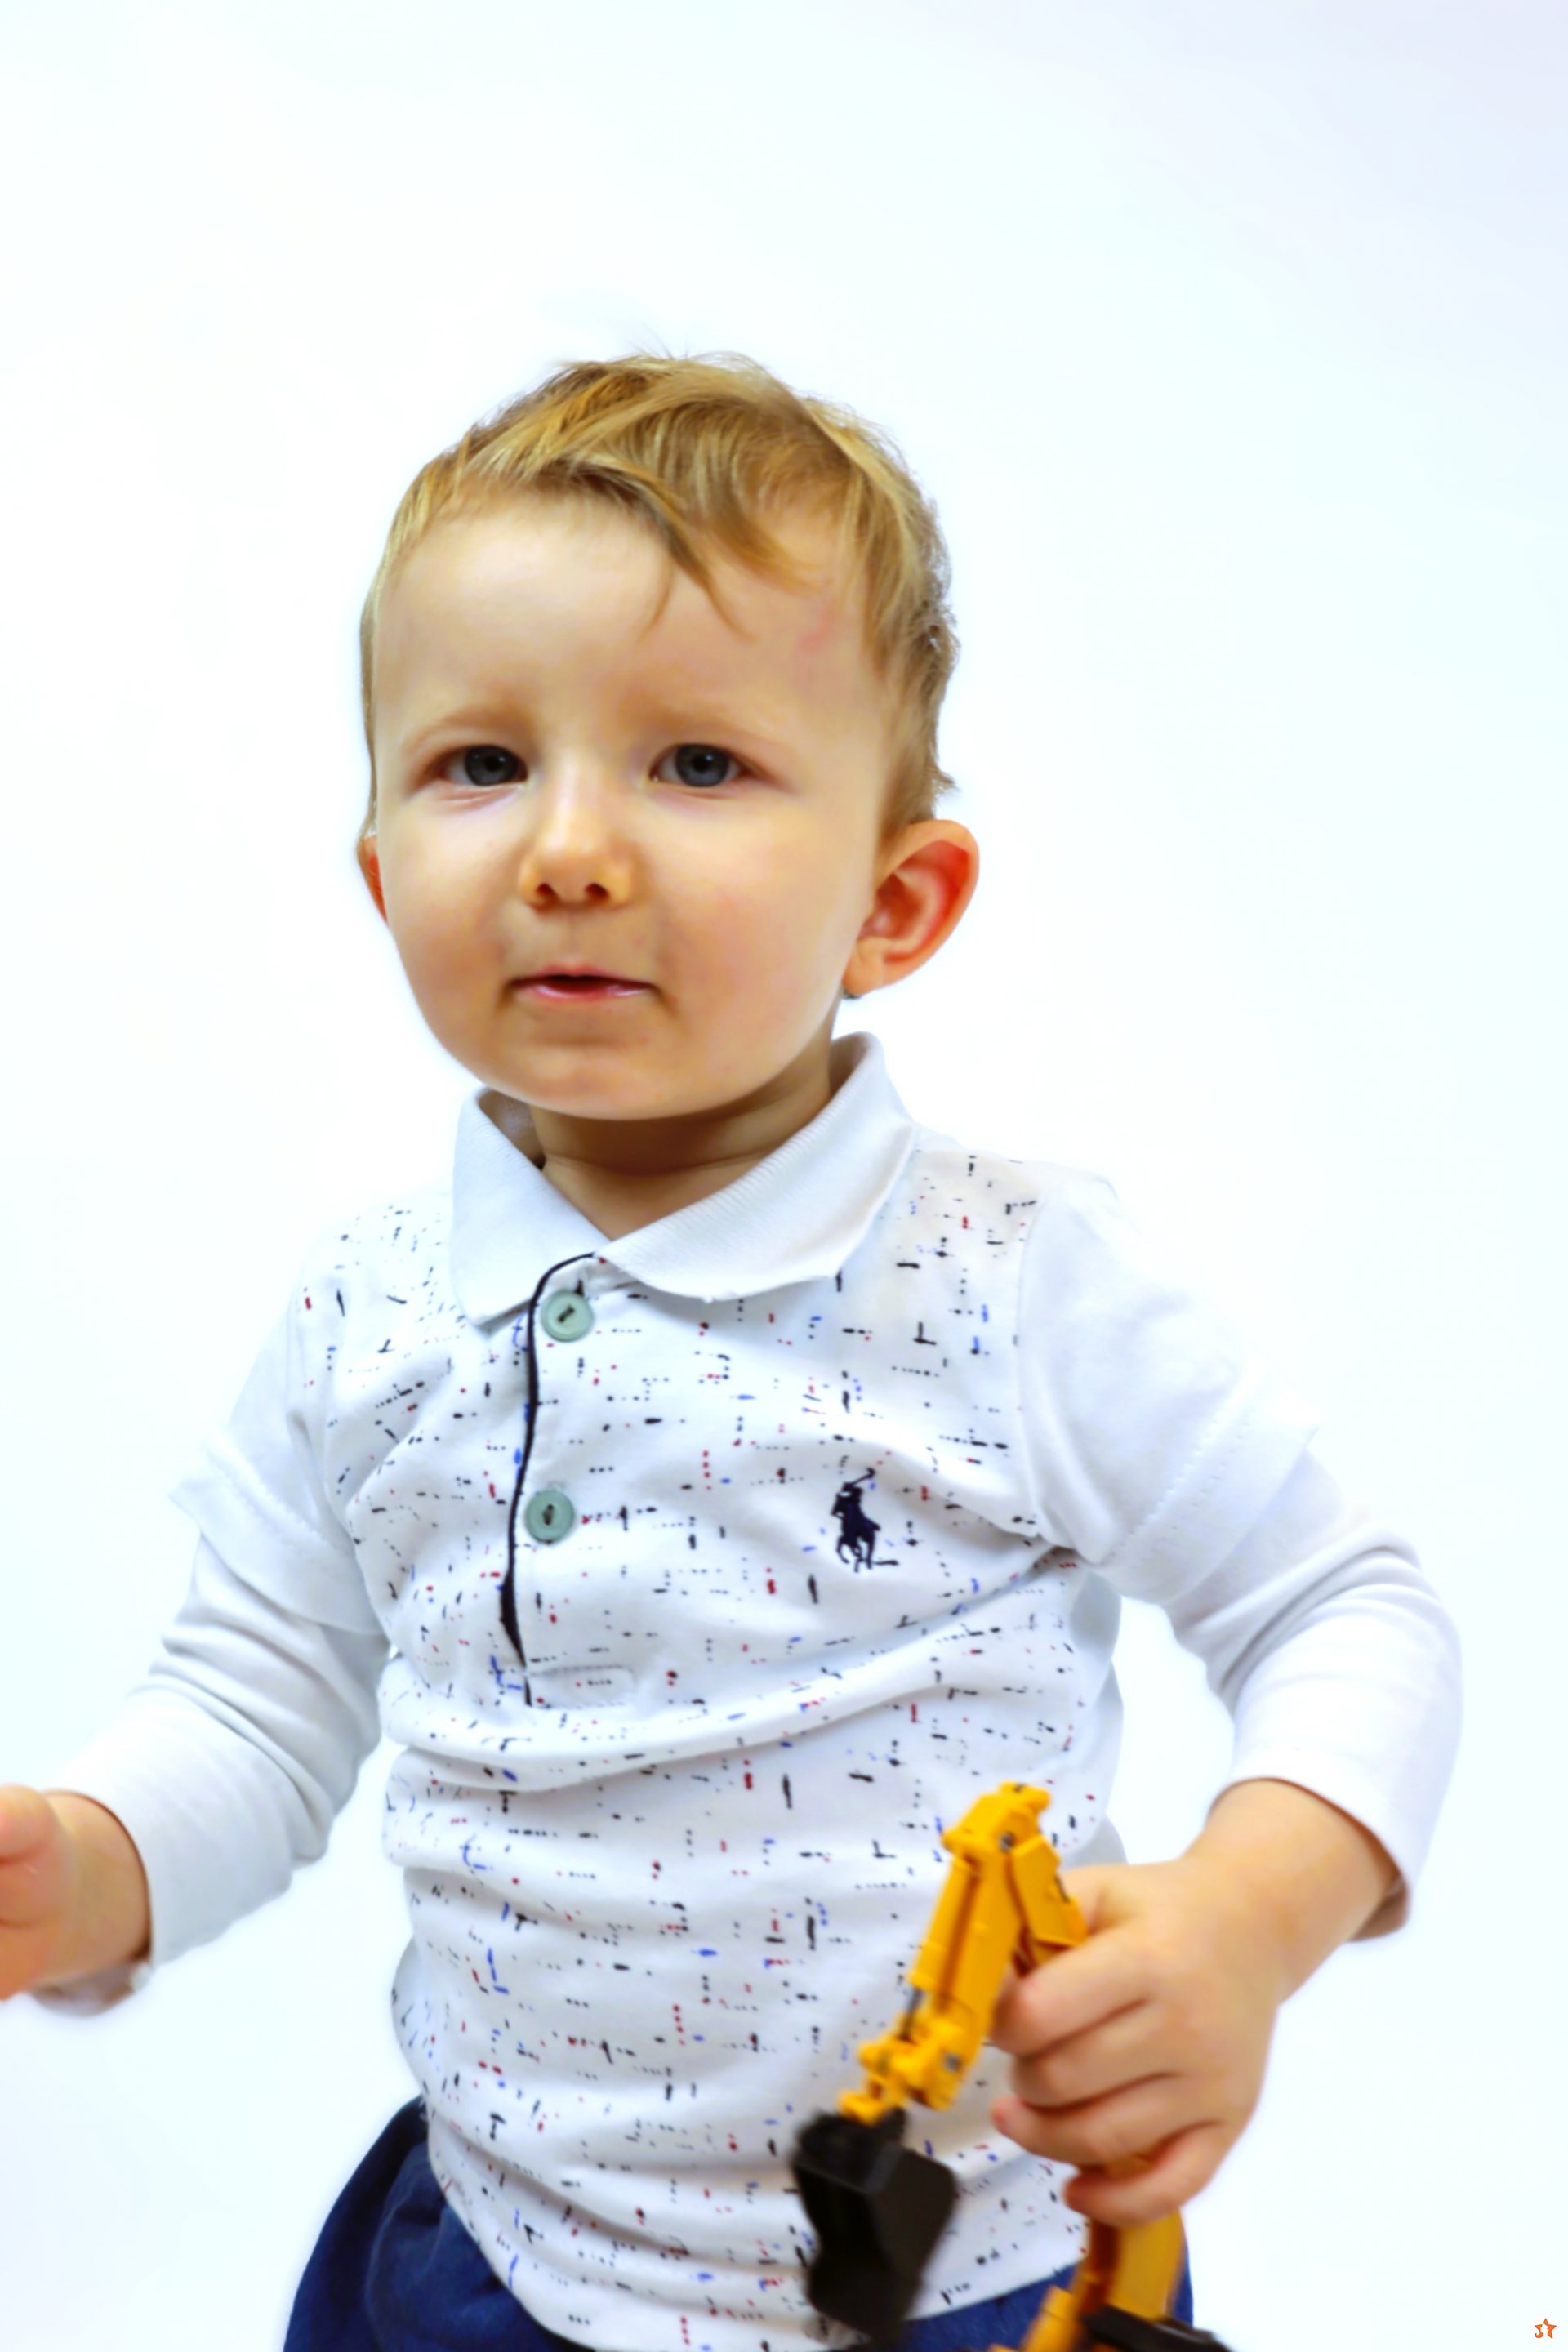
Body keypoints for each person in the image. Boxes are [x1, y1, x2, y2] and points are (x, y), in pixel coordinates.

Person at [0, 353, 1461, 2352]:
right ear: (379, 871)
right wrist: (83, 1866)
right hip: (496, 2258)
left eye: (695, 764)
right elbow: (256, 1710)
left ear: (895, 902)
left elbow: (1349, 1607)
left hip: (958, 2282)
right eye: (479, 763)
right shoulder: (369, 1313)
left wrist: (1250, 1911)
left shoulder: (1007, 1279)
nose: (568, 849)